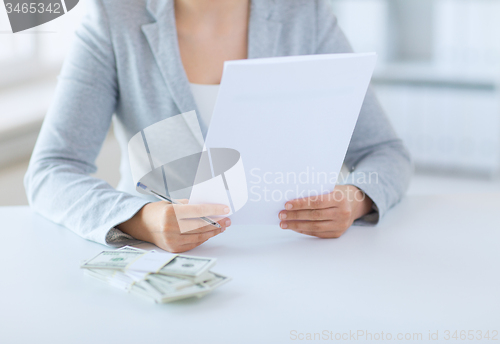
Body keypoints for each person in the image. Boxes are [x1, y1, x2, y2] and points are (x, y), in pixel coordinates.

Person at [24, 0, 412, 253]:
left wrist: (355, 198)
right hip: (159, 267)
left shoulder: (304, 16)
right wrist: (143, 219)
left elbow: (385, 152)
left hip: (290, 257)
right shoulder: (113, 18)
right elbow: (52, 170)